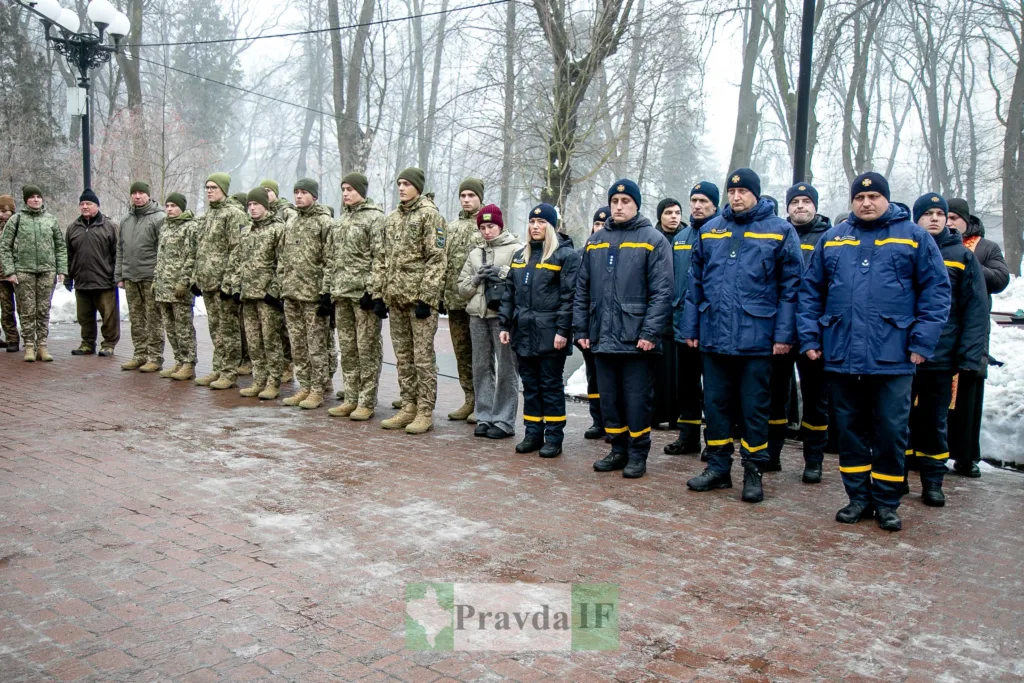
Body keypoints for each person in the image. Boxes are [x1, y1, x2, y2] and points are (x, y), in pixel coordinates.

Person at [798, 172, 950, 531]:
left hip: (893, 357)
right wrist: (810, 339)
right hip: (842, 354)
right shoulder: (833, 239)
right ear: (852, 202)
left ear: (887, 199)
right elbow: (810, 293)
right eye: (859, 198)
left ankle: (886, 501)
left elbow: (936, 293)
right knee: (849, 431)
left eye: (874, 197)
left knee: (890, 433)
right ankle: (857, 498)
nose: (866, 203)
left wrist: (921, 343)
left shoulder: (914, 237)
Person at [680, 168, 803, 502]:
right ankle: (718, 468)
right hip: (715, 336)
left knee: (754, 409)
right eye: (732, 191)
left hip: (758, 339)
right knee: (715, 405)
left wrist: (784, 335)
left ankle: (753, 471)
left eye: (743, 192)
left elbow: (792, 289)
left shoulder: (780, 231)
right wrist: (691, 327)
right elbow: (695, 284)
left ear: (756, 194)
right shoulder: (710, 230)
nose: (736, 197)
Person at [575, 179, 673, 478]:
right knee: (609, 399)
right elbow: (582, 290)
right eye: (614, 202)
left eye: (625, 202)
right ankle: (617, 449)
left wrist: (649, 333)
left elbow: (663, 292)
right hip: (602, 337)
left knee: (636, 400)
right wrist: (581, 330)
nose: (618, 207)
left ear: (636, 205)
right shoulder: (595, 242)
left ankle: (637, 452)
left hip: (635, 341)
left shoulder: (653, 240)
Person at [764, 182, 833, 483]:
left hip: (814, 332)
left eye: (806, 201)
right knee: (775, 395)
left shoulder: (828, 238)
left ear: (815, 207)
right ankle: (772, 454)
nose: (800, 207)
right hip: (780, 329)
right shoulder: (776, 233)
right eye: (795, 202)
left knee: (816, 398)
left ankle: (813, 459)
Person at [500, 203, 579, 457]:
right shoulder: (520, 256)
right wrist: (505, 323)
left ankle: (554, 437)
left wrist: (562, 331)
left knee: (550, 386)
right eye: (532, 222)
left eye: (541, 222)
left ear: (552, 226)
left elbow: (570, 298)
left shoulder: (565, 256)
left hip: (550, 334)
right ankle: (533, 433)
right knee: (531, 386)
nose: (535, 227)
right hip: (523, 332)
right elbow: (508, 294)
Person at [373, 167, 447, 434]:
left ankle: (425, 411)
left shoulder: (430, 216)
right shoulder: (391, 219)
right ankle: (408, 406)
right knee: (403, 357)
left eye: (406, 184)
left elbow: (437, 259)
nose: (401, 188)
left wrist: (427, 297)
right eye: (399, 184)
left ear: (418, 186)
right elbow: (382, 259)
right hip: (396, 300)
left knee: (422, 358)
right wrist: (379, 295)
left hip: (419, 303)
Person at [945, 197, 1011, 477]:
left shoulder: (985, 248)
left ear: (967, 221)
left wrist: (966, 261)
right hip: (943, 331)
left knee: (968, 397)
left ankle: (966, 456)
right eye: (945, 218)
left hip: (972, 330)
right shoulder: (936, 245)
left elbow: (1000, 278)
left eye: (954, 219)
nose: (949, 223)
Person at [323, 172, 386, 420]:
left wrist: (373, 291)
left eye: (350, 189)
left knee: (367, 347)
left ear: (361, 190)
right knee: (347, 348)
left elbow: (380, 258)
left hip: (363, 296)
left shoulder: (375, 218)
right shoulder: (339, 222)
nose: (346, 193)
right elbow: (331, 259)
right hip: (341, 294)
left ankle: (366, 401)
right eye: (343, 189)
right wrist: (327, 291)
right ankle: (350, 397)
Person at [459, 204, 522, 438]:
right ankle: (484, 416)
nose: (487, 231)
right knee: (481, 368)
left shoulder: (517, 249)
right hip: (478, 317)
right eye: (483, 227)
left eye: (491, 226)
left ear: (500, 226)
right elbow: (461, 288)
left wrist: (501, 272)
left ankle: (504, 421)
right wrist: (476, 278)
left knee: (507, 368)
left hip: (502, 318)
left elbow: (522, 279)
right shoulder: (475, 253)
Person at [666, 182, 719, 456]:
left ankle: (714, 442)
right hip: (681, 324)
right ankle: (688, 437)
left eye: (703, 201)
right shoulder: (681, 237)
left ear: (714, 204)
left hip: (711, 326)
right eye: (694, 200)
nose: (697, 206)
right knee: (686, 386)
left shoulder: (722, 232)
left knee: (713, 390)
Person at [277, 178, 333, 409]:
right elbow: (282, 257)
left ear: (314, 196)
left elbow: (331, 259)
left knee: (316, 345)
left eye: (303, 192)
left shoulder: (324, 222)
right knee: (298, 344)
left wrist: (326, 292)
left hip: (313, 295)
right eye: (296, 192)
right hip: (292, 293)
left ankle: (318, 389)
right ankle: (305, 386)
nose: (298, 196)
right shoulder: (290, 222)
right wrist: (282, 284)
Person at [231, 187, 287, 400]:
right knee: (254, 342)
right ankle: (259, 380)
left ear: (266, 205)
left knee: (271, 340)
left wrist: (273, 291)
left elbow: (283, 263)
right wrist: (236, 288)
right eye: (250, 205)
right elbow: (238, 261)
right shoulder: (246, 231)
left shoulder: (277, 229)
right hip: (248, 296)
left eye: (256, 204)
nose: (252, 208)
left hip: (266, 298)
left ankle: (274, 382)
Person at [0, 185, 67, 362]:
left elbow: (60, 246)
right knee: (27, 311)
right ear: (26, 200)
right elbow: (5, 247)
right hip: (24, 272)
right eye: (32, 197)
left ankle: (42, 346)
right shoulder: (17, 220)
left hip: (46, 271)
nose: (36, 199)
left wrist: (61, 269)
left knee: (43, 310)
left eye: (39, 196)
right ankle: (29, 345)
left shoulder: (50, 220)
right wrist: (10, 271)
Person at [194, 173, 247, 389]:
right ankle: (218, 368)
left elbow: (238, 250)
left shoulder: (234, 214)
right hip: (208, 282)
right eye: (207, 187)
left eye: (214, 187)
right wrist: (196, 277)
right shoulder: (207, 215)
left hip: (224, 284)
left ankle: (229, 372)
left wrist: (230, 282)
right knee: (215, 328)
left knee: (229, 330)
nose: (209, 191)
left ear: (224, 189)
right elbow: (201, 249)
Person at [442, 178, 485, 423]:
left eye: (471, 195)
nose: (467, 200)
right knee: (462, 353)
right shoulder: (452, 227)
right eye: (463, 195)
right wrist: (441, 294)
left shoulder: (488, 223)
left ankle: (483, 401)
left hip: (478, 303)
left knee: (481, 354)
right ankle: (469, 398)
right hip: (455, 301)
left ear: (479, 197)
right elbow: (443, 263)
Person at [116, 181, 166, 373]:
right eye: (134, 193)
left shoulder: (159, 218)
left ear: (148, 195)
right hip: (131, 276)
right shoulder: (126, 219)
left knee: (153, 319)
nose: (137, 196)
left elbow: (163, 250)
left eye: (141, 193)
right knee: (136, 319)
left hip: (150, 276)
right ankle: (140, 354)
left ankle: (155, 357)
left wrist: (160, 275)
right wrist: (120, 274)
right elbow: (120, 249)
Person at [65, 189, 119, 357]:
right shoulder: (73, 228)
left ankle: (108, 344)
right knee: (84, 317)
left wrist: (117, 276)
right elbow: (68, 254)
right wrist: (68, 276)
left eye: (89, 203)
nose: (85, 206)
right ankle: (87, 343)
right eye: (82, 204)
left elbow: (118, 253)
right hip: (82, 281)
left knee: (109, 316)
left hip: (104, 281)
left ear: (97, 206)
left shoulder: (110, 226)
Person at [153, 193, 199, 381]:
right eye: (167, 205)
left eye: (173, 206)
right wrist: (156, 279)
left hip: (179, 287)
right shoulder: (165, 227)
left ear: (181, 207)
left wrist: (185, 281)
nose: (170, 209)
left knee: (183, 327)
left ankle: (189, 363)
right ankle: (179, 360)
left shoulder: (190, 227)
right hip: (164, 285)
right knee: (170, 326)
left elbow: (192, 256)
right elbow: (161, 257)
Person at [652, 198, 685, 429]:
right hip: (659, 314)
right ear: (660, 216)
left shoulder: (687, 238)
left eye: (677, 212)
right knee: (659, 369)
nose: (673, 217)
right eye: (668, 213)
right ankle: (657, 412)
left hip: (681, 313)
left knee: (679, 370)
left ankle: (678, 415)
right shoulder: (652, 239)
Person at [578, 207, 610, 440]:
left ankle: (613, 422)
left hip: (613, 327)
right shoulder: (584, 253)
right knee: (593, 377)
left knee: (611, 379)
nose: (598, 229)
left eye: (603, 224)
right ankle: (597, 420)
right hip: (591, 325)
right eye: (596, 225)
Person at [0, 195, 18, 351]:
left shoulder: (18, 225)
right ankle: (11, 338)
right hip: (1, 276)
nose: (1, 214)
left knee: (24, 309)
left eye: (4, 211)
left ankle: (27, 340)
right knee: (5, 308)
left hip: (16, 273)